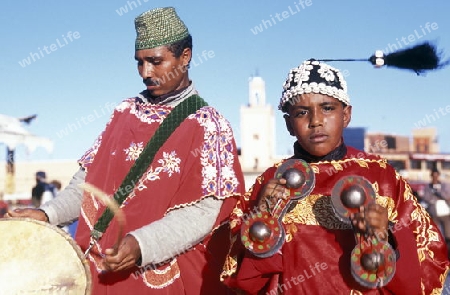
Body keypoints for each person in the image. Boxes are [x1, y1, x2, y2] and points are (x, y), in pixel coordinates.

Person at [6, 7, 244, 294]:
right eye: (139, 63)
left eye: (156, 62)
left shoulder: (209, 125)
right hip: (97, 271)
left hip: (160, 276)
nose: (146, 73)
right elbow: (87, 182)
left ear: (186, 57)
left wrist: (143, 244)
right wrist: (47, 215)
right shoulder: (124, 111)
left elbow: (206, 210)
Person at [221, 59, 449, 294]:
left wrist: (386, 238)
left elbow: (428, 259)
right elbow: (241, 278)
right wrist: (264, 219)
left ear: (346, 115)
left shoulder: (381, 177)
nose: (316, 121)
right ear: (288, 124)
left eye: (327, 108)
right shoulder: (270, 182)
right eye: (302, 112)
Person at [423, 168, 450, 250]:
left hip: (445, 212)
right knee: (435, 232)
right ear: (431, 176)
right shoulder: (428, 187)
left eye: (436, 175)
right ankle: (437, 249)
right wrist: (434, 197)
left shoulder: (444, 185)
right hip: (433, 212)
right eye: (433, 176)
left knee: (448, 233)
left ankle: (448, 249)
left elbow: (447, 196)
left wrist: (437, 192)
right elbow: (426, 198)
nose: (435, 177)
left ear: (438, 176)